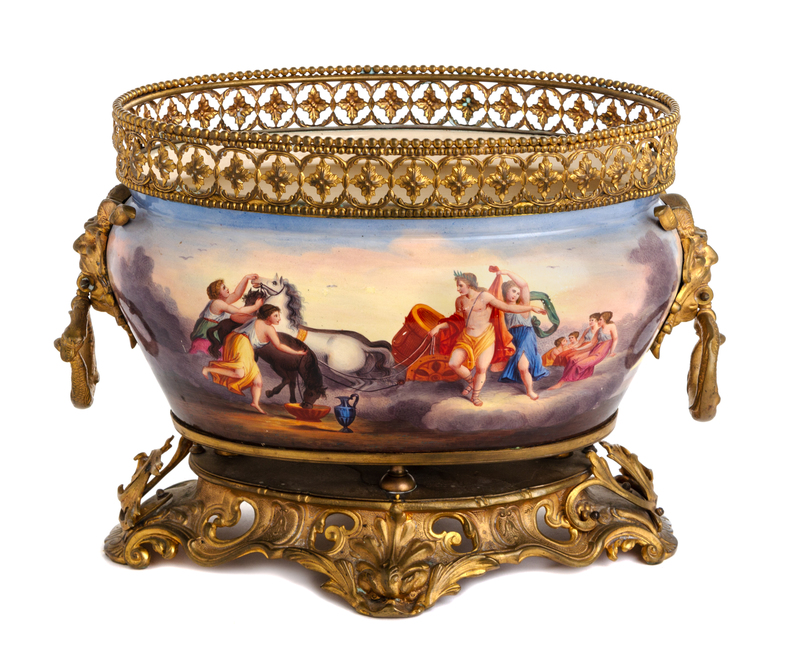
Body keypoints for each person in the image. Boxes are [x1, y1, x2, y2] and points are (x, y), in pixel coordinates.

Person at [427, 267, 540, 407]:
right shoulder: (460, 300)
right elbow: (456, 320)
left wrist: (530, 308)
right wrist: (438, 327)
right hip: (466, 338)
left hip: (485, 338)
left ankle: (475, 396)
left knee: (481, 368)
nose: (458, 289)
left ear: (469, 284)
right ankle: (471, 381)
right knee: (453, 363)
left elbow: (507, 307)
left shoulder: (485, 297)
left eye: (460, 285)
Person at [202, 305, 306, 413]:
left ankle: (255, 403)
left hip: (239, 342)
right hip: (241, 342)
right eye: (276, 315)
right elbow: (279, 346)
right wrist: (296, 352)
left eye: (279, 315)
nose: (279, 318)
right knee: (239, 374)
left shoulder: (254, 319)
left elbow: (233, 316)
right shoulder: (269, 328)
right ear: (267, 316)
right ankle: (208, 369)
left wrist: (249, 315)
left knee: (257, 382)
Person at [495, 269, 549, 400]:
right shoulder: (501, 306)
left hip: (526, 335)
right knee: (515, 366)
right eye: (513, 291)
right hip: (512, 338)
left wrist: (506, 272)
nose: (516, 295)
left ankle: (530, 391)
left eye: (518, 293)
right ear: (506, 291)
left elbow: (524, 285)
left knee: (523, 366)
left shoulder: (524, 305)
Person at [189, 274, 263, 354]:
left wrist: (246, 278)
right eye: (224, 288)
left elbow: (236, 294)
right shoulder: (217, 303)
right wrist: (256, 307)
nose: (227, 288)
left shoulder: (221, 300)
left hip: (216, 331)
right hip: (209, 335)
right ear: (218, 293)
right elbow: (238, 311)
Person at [548, 311, 618, 390]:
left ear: (605, 320)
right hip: (594, 350)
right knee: (572, 359)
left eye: (600, 319)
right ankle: (568, 378)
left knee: (578, 364)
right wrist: (578, 349)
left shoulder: (611, 326)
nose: (598, 321)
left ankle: (561, 382)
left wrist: (611, 352)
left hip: (600, 353)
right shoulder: (599, 330)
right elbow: (591, 343)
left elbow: (615, 339)